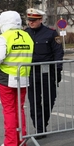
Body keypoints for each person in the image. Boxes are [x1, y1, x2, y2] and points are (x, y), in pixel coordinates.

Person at [0, 11, 34, 146]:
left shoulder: (4, 37)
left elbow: (0, 57)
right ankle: (21, 140)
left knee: (9, 110)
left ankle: (10, 142)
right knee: (20, 109)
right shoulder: (27, 36)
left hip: (6, 77)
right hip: (23, 76)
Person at [25, 8, 64, 138]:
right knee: (34, 102)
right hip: (31, 73)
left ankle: (43, 123)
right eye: (29, 20)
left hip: (48, 73)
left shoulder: (51, 33)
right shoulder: (24, 34)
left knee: (49, 100)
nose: (31, 22)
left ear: (40, 20)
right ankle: (40, 129)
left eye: (34, 20)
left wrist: (58, 70)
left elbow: (58, 52)